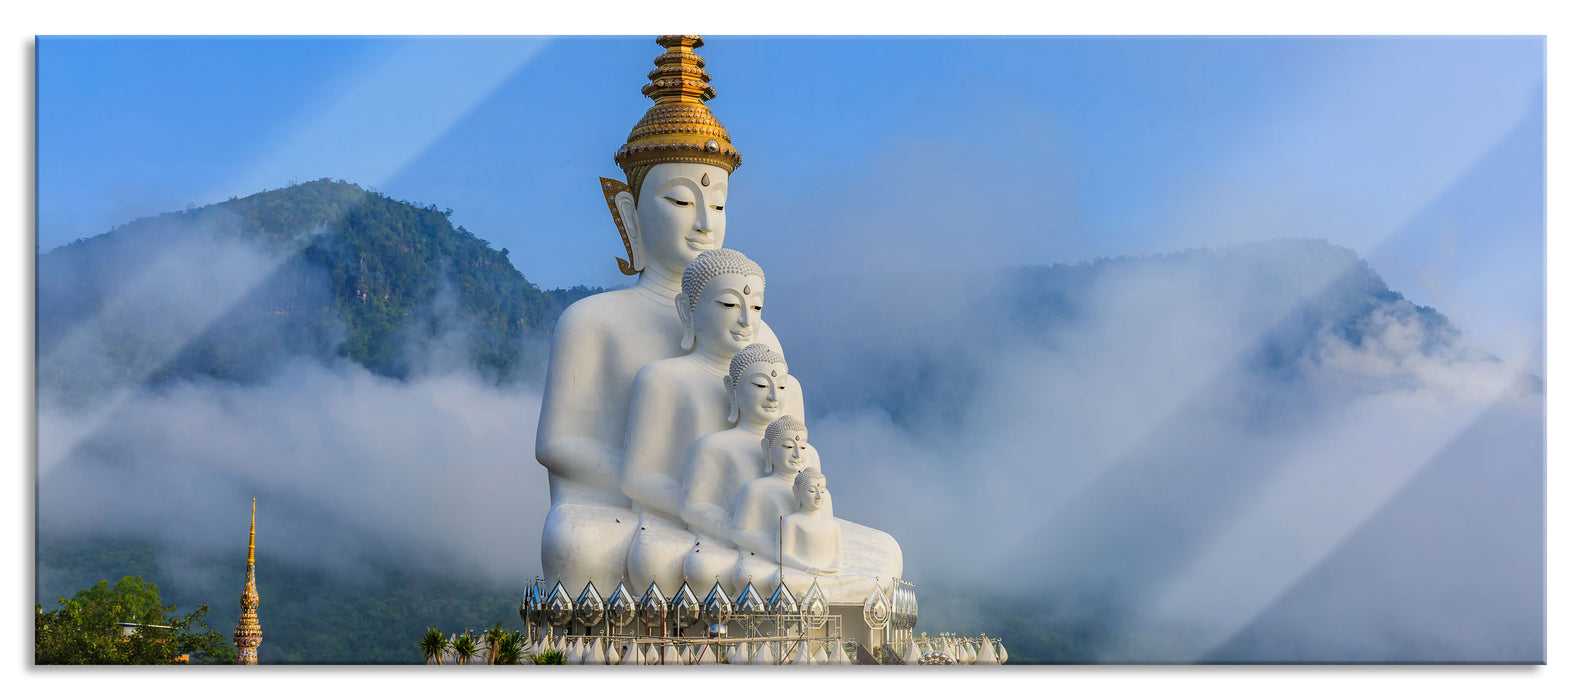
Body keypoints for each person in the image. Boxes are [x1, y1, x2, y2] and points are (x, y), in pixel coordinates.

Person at [533, 35, 793, 594]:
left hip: (734, 513)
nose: (704, 221)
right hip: (623, 509)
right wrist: (680, 493)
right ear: (627, 207)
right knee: (581, 548)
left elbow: (779, 442)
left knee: (875, 555)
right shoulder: (592, 320)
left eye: (718, 204)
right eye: (680, 200)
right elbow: (557, 445)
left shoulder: (758, 334)